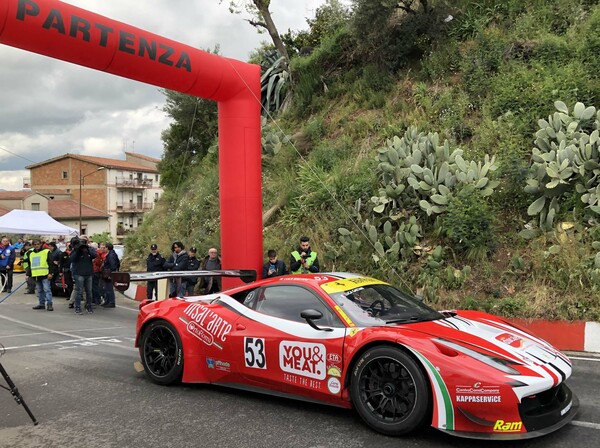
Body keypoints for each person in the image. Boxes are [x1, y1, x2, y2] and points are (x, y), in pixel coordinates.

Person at [69, 236, 97, 314]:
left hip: (88, 273)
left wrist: (87, 248)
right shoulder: (75, 250)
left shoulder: (89, 249)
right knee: (79, 291)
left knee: (89, 292)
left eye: (84, 241)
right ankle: (77, 308)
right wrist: (78, 249)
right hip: (78, 274)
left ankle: (89, 306)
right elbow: (72, 259)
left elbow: (95, 255)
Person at [29, 239, 55, 311]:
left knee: (47, 290)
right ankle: (41, 304)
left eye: (38, 244)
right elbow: (30, 265)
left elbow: (51, 263)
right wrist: (28, 274)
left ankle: (49, 304)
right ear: (33, 245)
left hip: (45, 274)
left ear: (41, 244)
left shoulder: (46, 252)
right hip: (36, 275)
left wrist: (50, 273)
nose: (36, 245)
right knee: (40, 290)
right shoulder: (31, 253)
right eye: (35, 244)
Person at [101, 243, 120, 308]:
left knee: (109, 288)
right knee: (106, 288)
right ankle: (107, 301)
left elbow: (113, 265)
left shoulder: (111, 255)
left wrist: (110, 273)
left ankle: (111, 302)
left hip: (109, 274)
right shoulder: (112, 254)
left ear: (107, 248)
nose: (104, 249)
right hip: (108, 273)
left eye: (105, 247)